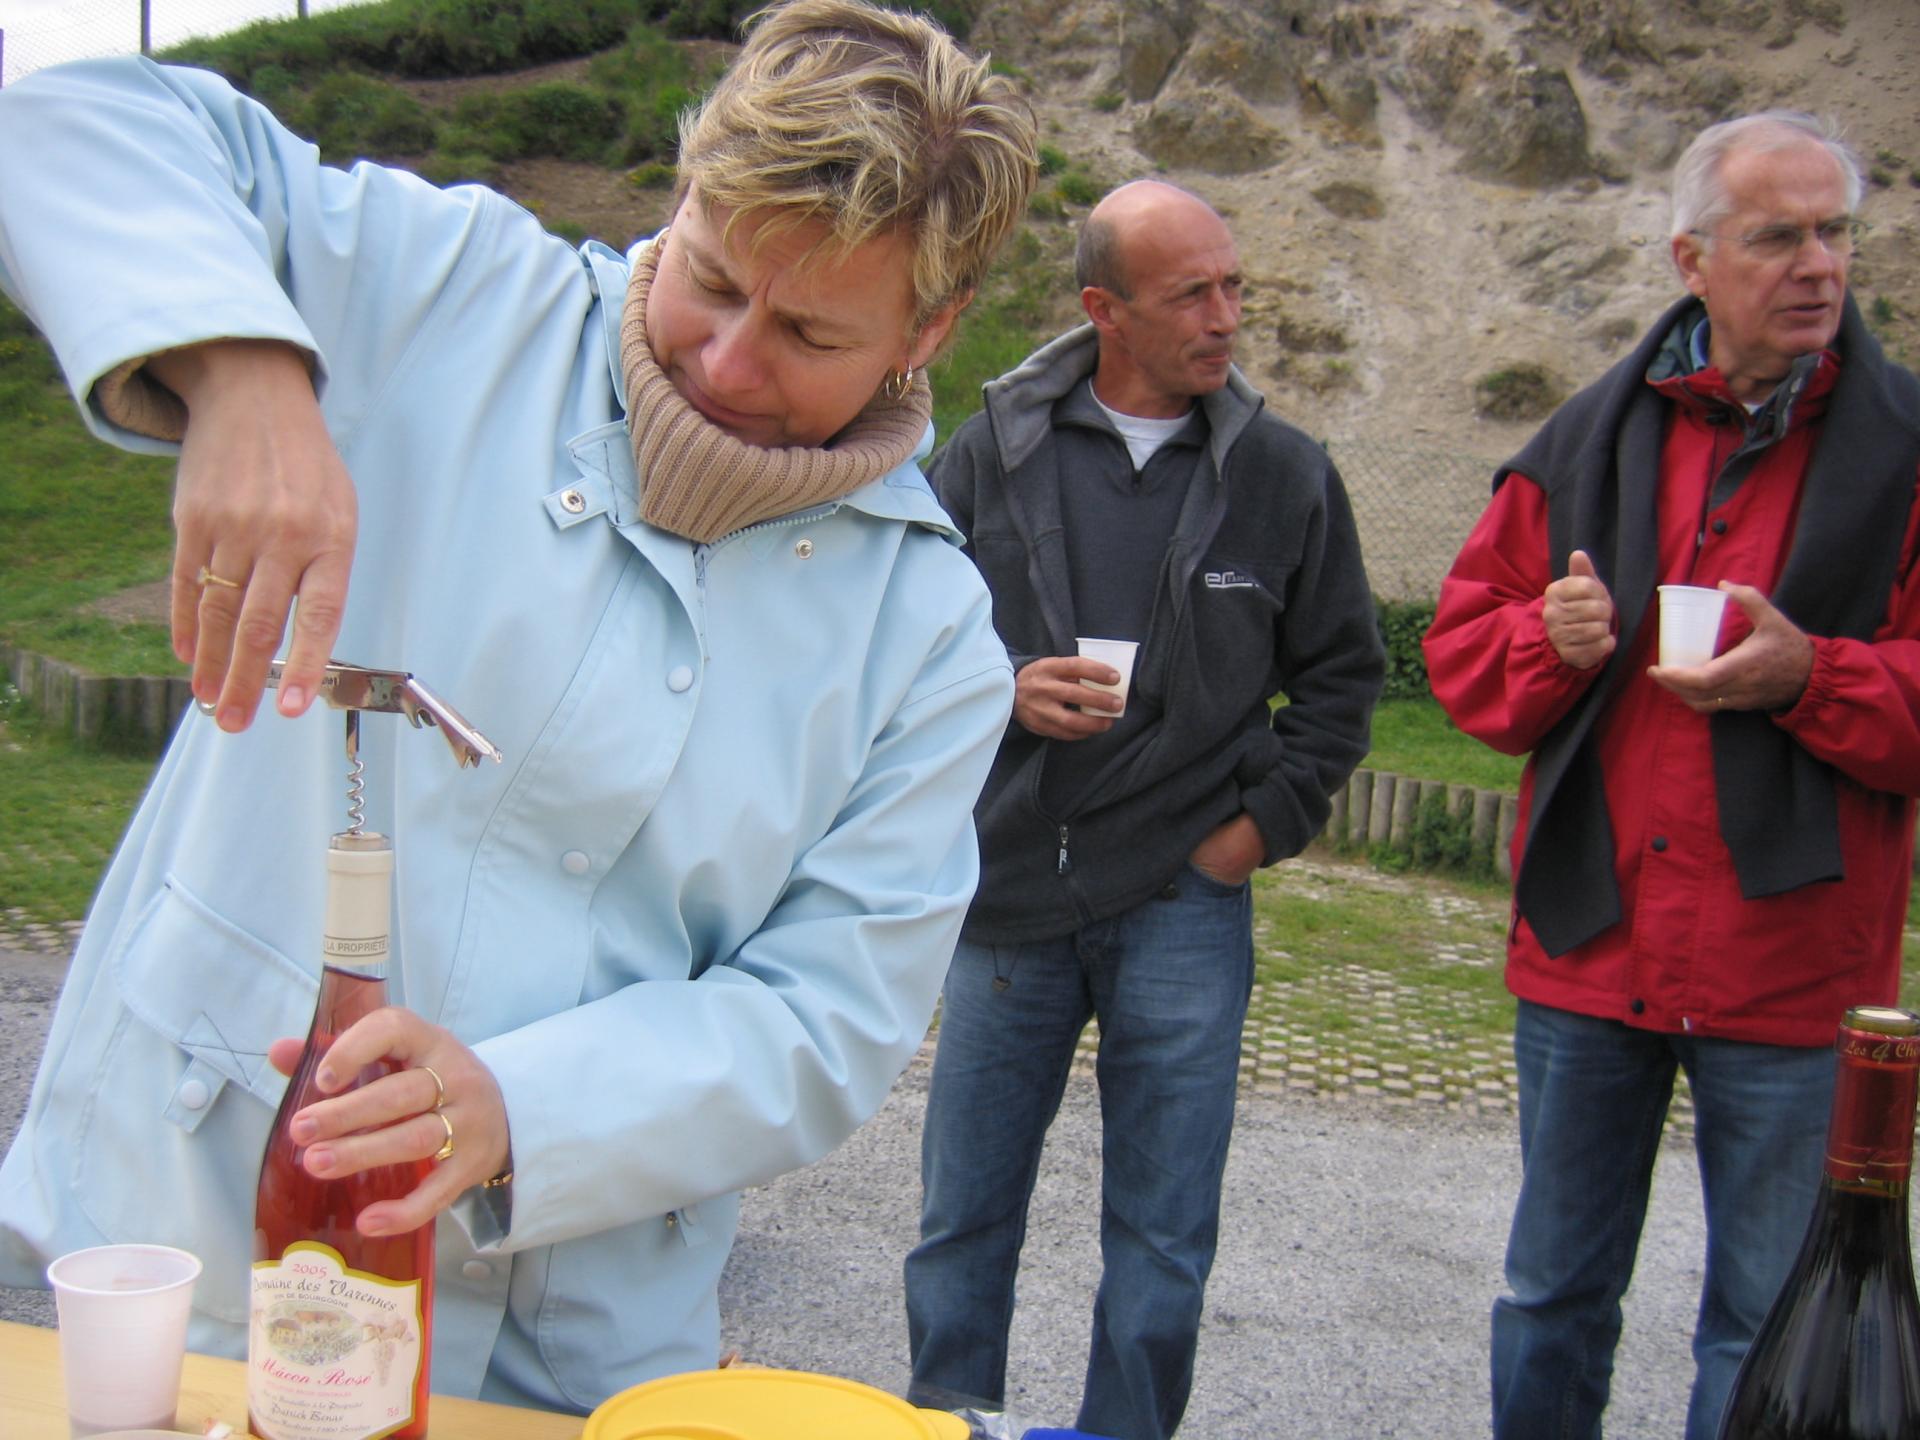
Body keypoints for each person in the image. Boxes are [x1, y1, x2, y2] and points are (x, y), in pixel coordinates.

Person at [0, 0, 1039, 1412]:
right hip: (176, 1253)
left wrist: (519, 1111)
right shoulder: (443, 291)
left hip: (567, 1358)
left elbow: (825, 1016)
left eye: (807, 330)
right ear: (682, 191)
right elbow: (72, 122)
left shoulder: (931, 641)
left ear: (934, 323)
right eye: (713, 279)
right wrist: (243, 369)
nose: (729, 364)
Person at [1423, 110, 1920, 1440]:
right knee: (1549, 1297)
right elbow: (1466, 652)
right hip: (1593, 945)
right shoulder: (1587, 437)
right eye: (1780, 237)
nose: (1819, 263)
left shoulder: (1908, 447)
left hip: (1795, 964)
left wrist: (1809, 676)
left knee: (1763, 1321)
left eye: (1838, 232)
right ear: (1693, 257)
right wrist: (1552, 639)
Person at [903, 180, 1384, 1440]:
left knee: (1164, 1237)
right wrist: (1002, 693)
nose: (1227, 316)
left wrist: (1255, 833)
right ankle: (951, 1426)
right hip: (1008, 891)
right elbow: (899, 641)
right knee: (963, 1217)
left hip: (1185, 894)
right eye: (1193, 294)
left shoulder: (1285, 473)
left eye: (1235, 287)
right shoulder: (987, 451)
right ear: (1103, 309)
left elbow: (1344, 678)